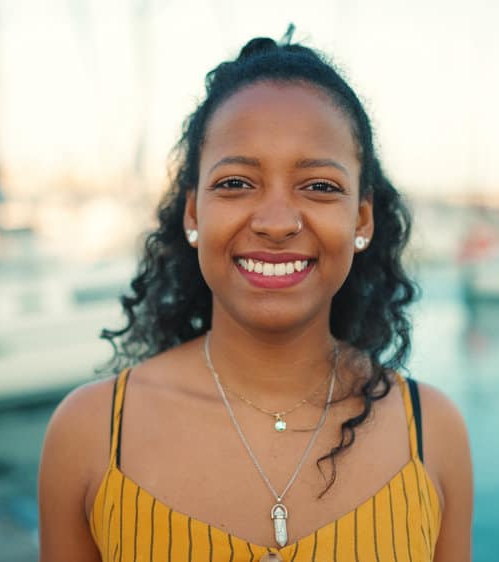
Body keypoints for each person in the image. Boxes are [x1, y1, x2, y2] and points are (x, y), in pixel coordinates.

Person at [38, 30, 473, 562]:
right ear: (193, 213)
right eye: (237, 183)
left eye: (318, 186)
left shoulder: (432, 433)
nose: (275, 223)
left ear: (362, 219)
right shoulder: (89, 433)